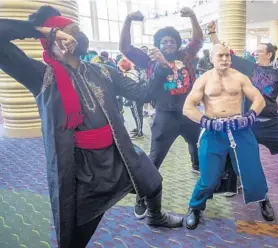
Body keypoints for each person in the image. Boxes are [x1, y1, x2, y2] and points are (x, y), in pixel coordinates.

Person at [0, 6, 183, 248]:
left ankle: (154, 216)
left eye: (74, 31)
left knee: (153, 181)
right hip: (85, 170)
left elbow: (143, 93)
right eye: (65, 33)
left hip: (120, 153)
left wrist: (160, 67)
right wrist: (43, 31)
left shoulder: (101, 70)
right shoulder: (41, 76)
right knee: (77, 236)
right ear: (52, 41)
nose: (73, 36)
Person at [120, 7, 204, 219]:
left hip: (188, 113)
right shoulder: (149, 61)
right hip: (164, 116)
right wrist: (129, 20)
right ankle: (142, 195)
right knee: (154, 158)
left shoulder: (185, 56)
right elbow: (125, 47)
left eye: (172, 41)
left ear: (177, 43)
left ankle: (197, 165)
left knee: (197, 144)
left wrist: (193, 16)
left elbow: (198, 40)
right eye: (164, 41)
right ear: (158, 45)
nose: (168, 44)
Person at [183, 44, 274, 230]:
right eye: (220, 55)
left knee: (251, 170)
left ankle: (263, 199)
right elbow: (187, 108)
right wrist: (207, 122)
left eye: (227, 55)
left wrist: (250, 116)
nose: (224, 59)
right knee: (208, 177)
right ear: (211, 58)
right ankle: (195, 207)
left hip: (239, 128)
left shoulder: (240, 77)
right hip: (213, 131)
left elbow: (259, 100)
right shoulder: (203, 80)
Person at [208, 21, 278, 183]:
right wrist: (212, 33)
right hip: (248, 122)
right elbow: (224, 53)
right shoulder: (248, 67)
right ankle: (235, 181)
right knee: (236, 153)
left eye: (259, 51)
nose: (255, 53)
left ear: (269, 54)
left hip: (271, 123)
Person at [118, 56, 144, 139]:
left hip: (135, 98)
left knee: (137, 114)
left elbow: (132, 87)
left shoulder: (130, 74)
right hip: (135, 97)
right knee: (136, 114)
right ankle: (138, 129)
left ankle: (140, 132)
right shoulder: (133, 72)